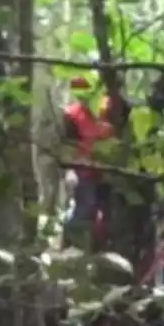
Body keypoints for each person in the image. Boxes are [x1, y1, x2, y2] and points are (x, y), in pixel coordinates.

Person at [62, 77, 117, 248]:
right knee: (86, 208)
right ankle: (70, 244)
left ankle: (97, 248)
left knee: (109, 212)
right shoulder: (72, 115)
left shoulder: (109, 109)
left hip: (109, 171)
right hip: (84, 170)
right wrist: (69, 170)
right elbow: (67, 144)